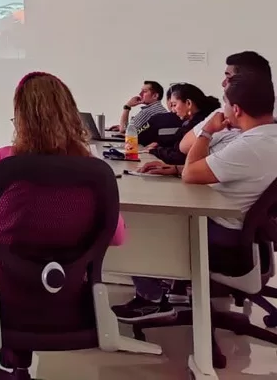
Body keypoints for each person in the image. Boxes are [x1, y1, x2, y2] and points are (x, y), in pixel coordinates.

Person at [0, 72, 127, 380]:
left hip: (3, 283)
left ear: (20, 117)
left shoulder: (4, 161)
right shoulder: (93, 170)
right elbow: (117, 235)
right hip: (63, 284)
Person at [113, 70, 277, 322]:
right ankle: (162, 288)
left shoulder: (248, 145)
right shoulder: (268, 137)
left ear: (236, 108)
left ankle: (151, 299)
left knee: (138, 219)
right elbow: (206, 171)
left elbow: (191, 173)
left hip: (222, 234)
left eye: (223, 104)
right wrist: (177, 169)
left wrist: (208, 131)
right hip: (242, 229)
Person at [177, 51, 272, 156]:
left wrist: (207, 131)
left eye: (229, 77)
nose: (223, 83)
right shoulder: (268, 117)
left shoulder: (226, 114)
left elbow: (185, 147)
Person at [141, 84, 221, 171]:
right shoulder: (194, 121)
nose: (172, 110)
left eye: (174, 105)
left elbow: (179, 156)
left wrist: (155, 150)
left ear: (188, 103)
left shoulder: (199, 124)